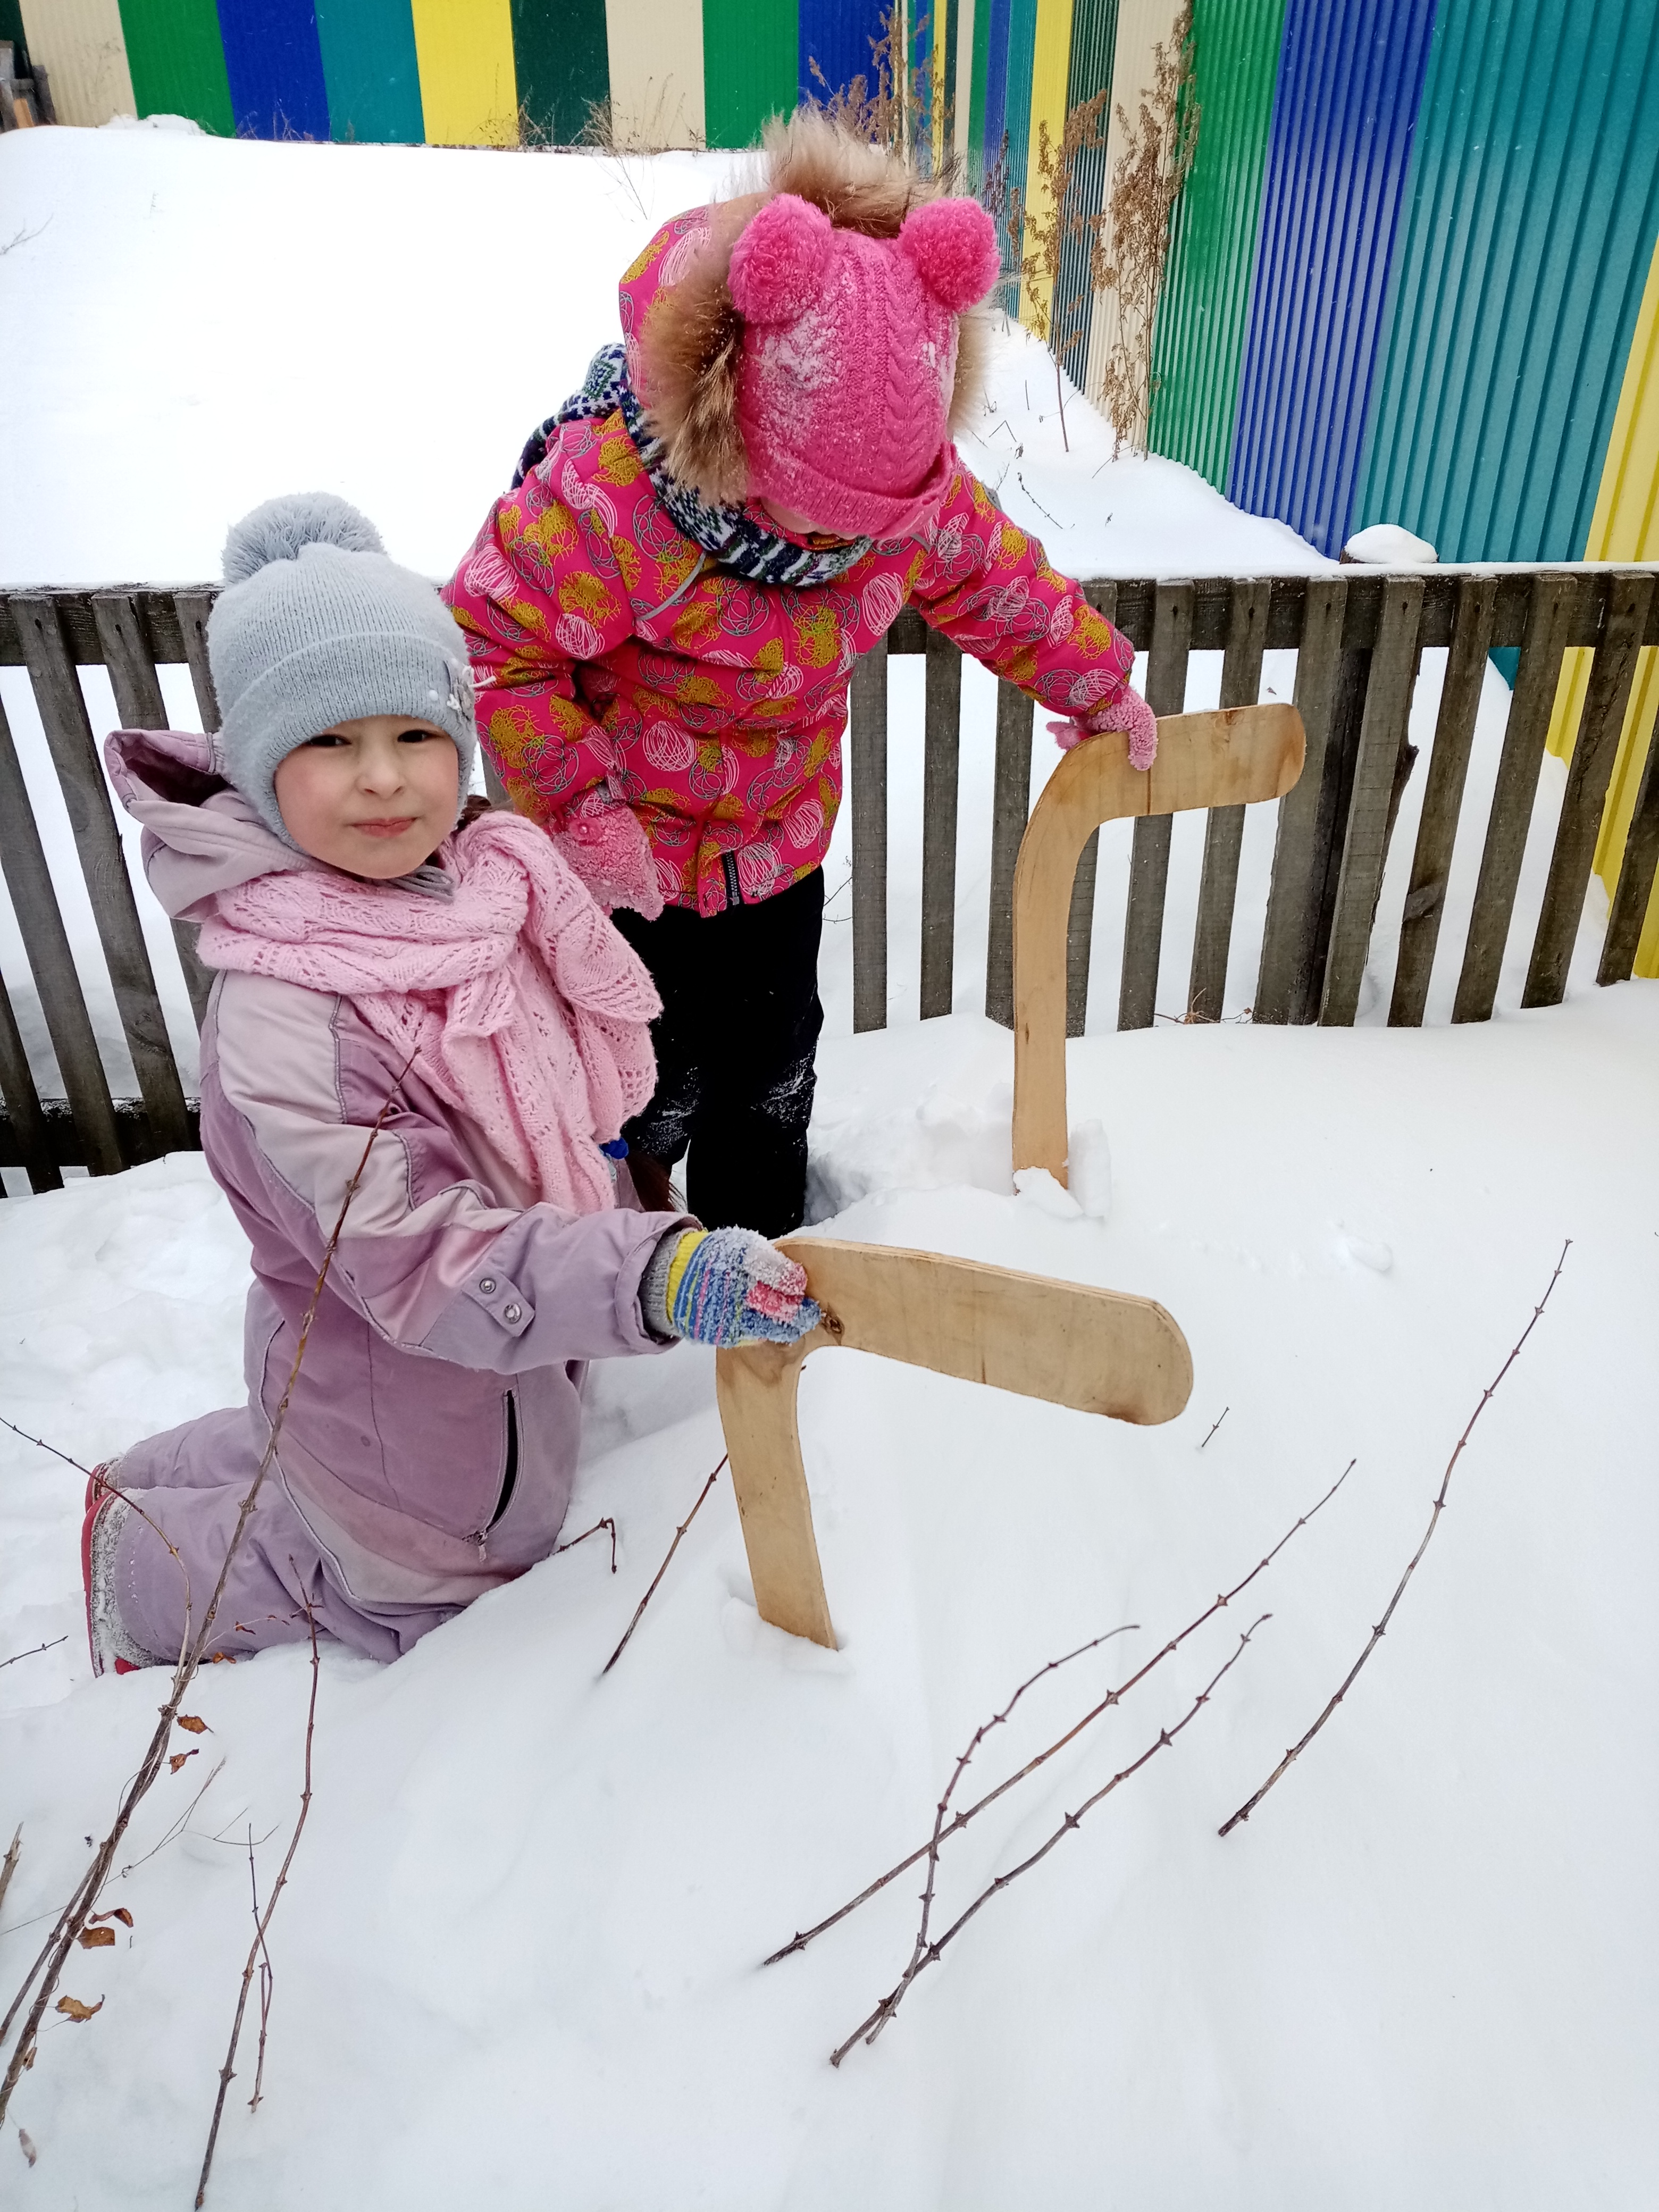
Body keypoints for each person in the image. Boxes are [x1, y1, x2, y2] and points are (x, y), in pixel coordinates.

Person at [82, 493, 819, 1678]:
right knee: (392, 1585)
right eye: (329, 743)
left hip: (427, 1379)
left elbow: (553, 1107)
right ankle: (134, 1561)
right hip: (416, 1425)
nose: (384, 779)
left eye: (415, 734)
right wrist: (647, 1273)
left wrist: (623, 1210)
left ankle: (174, 1470)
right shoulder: (290, 1026)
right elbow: (422, 1258)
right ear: (262, 767)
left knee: (318, 1451)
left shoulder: (469, 892)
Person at [445, 107, 1155, 1241]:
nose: (845, 547)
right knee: (642, 1084)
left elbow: (998, 581)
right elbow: (496, 640)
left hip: (778, 849)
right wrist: (577, 806)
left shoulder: (907, 502)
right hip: (628, 866)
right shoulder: (612, 499)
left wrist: (1098, 684)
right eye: (818, 519)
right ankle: (636, 1256)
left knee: (773, 1069)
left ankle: (769, 1233)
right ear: (736, 437)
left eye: (872, 527)